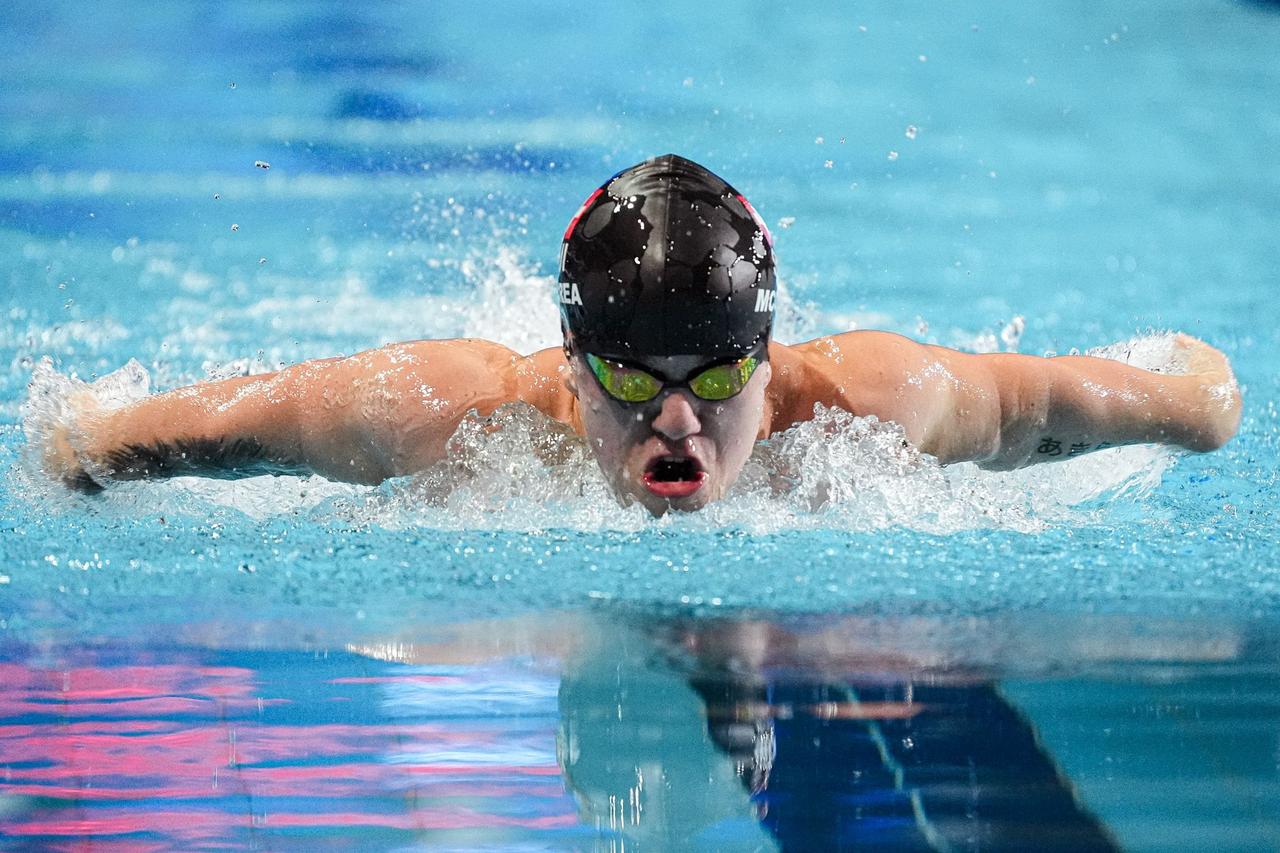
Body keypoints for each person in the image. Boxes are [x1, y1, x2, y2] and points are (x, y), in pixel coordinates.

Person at [37, 154, 1241, 515]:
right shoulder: (453, 413)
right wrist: (87, 446)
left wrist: (1199, 399)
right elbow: (204, 428)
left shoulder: (871, 403)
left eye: (715, 374)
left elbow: (1056, 407)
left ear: (769, 359)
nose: (675, 422)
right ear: (571, 363)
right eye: (629, 378)